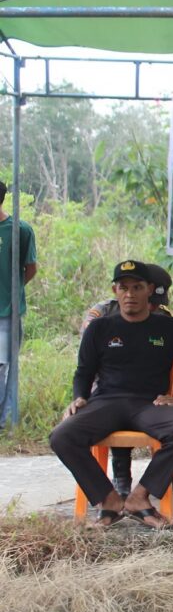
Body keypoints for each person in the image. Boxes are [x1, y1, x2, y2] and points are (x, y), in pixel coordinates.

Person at [50, 261, 173, 529]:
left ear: (150, 290)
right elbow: (83, 372)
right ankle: (108, 500)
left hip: (150, 403)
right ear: (115, 290)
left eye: (137, 287)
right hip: (106, 402)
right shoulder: (99, 328)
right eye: (123, 288)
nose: (130, 294)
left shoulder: (171, 328)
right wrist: (79, 397)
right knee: (62, 436)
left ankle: (138, 498)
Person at [0, 180, 37, 427]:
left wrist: (11, 291)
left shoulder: (19, 230)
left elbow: (30, 268)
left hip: (6, 311)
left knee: (3, 365)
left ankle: (5, 421)